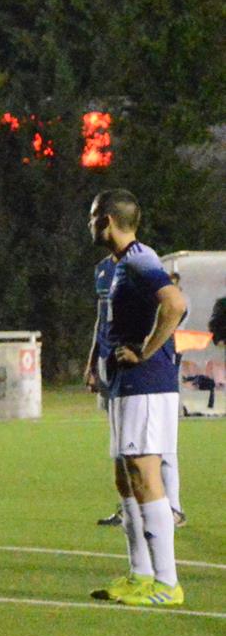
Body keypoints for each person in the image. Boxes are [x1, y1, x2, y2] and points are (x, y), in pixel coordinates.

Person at [87, 191, 187, 606]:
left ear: (108, 220)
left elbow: (174, 304)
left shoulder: (141, 260)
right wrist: (96, 362)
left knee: (145, 475)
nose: (90, 224)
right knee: (126, 476)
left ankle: (167, 583)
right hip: (124, 383)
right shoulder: (118, 265)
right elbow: (108, 320)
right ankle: (141, 574)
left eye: (93, 217)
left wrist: (145, 350)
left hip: (145, 382)